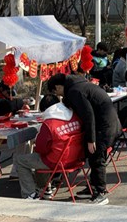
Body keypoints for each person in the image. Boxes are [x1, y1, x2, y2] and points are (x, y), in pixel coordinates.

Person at [47, 73, 122, 205]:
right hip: (109, 123)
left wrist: (91, 139)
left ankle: (100, 193)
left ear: (58, 87)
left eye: (56, 92)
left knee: (96, 157)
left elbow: (88, 115)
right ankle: (92, 187)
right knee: (92, 155)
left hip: (104, 127)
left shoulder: (75, 91)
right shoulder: (80, 85)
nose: (59, 95)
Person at [15, 94, 83, 200]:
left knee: (21, 160)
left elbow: (41, 149)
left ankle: (30, 194)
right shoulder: (74, 116)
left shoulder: (49, 123)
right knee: (39, 158)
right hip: (75, 158)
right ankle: (45, 188)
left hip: (56, 161)